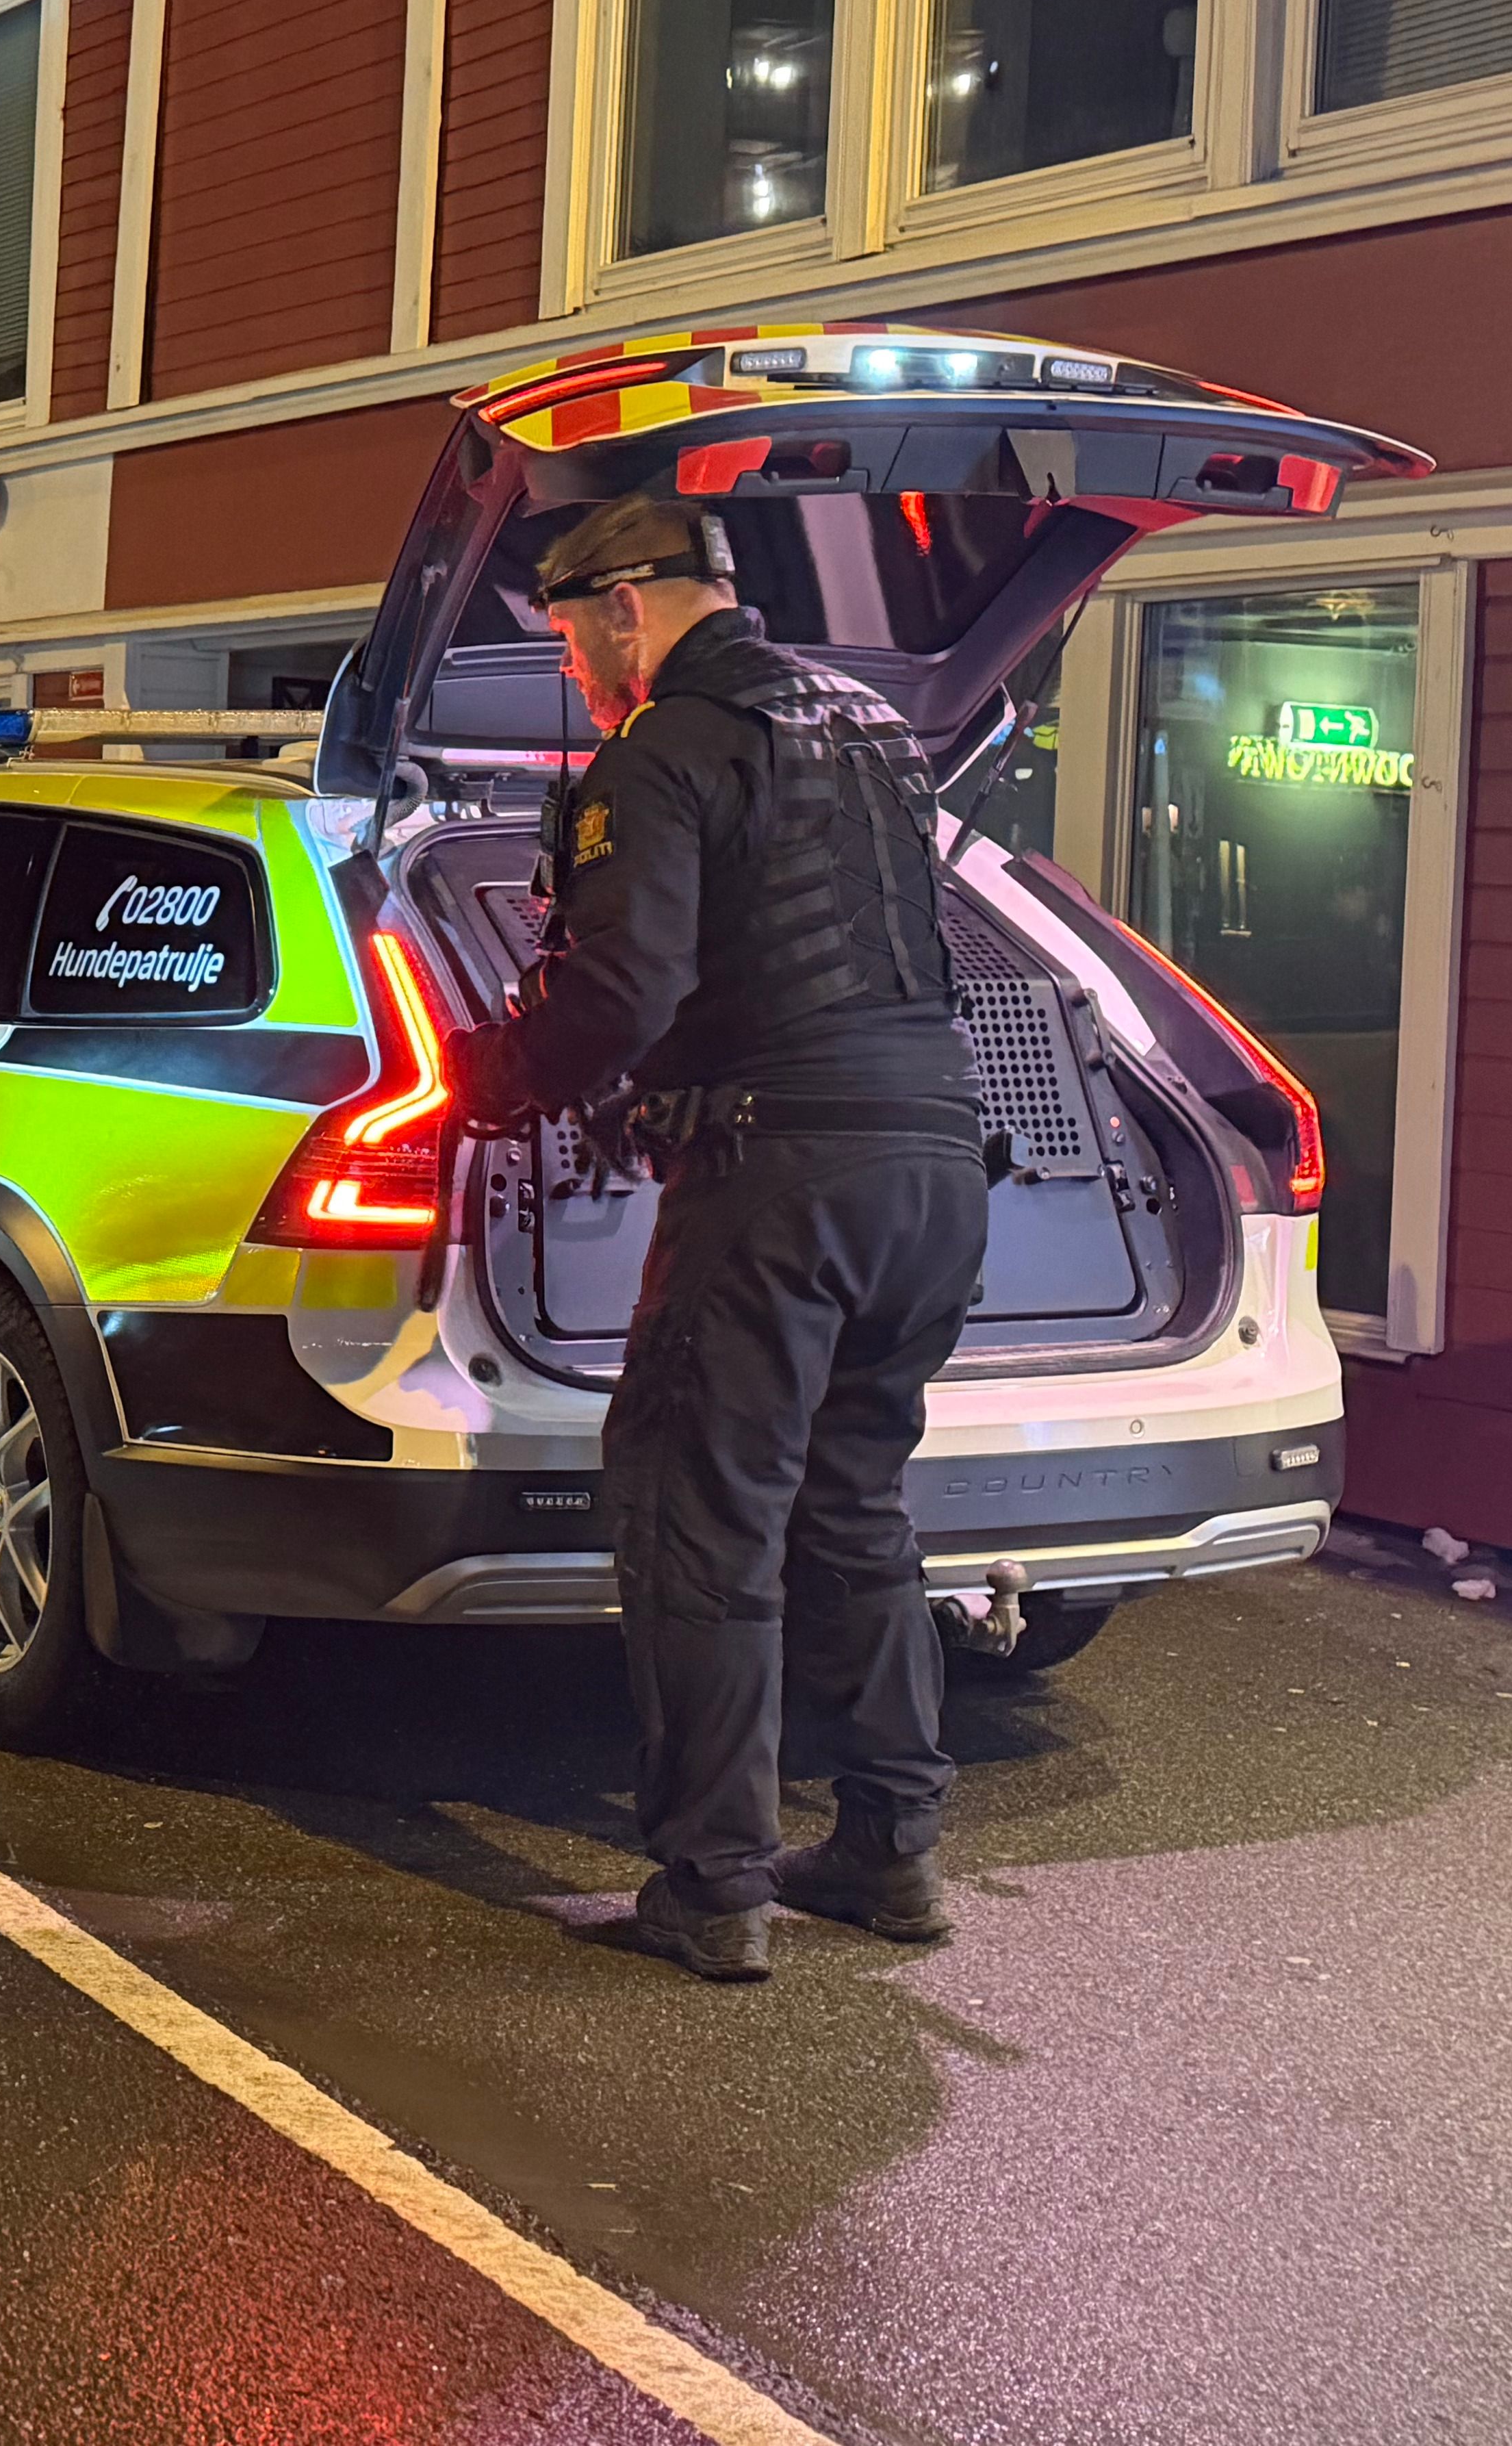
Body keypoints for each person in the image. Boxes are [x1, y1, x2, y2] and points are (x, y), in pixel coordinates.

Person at [443, 492, 987, 1985]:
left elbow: (626, 989)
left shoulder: (668, 750)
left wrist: (497, 1082)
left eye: (569, 634)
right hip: (937, 1168)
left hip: (780, 1177)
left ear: (628, 603)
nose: (572, 669)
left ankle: (715, 1884)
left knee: (701, 1516)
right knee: (855, 1505)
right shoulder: (871, 730)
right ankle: (890, 1848)